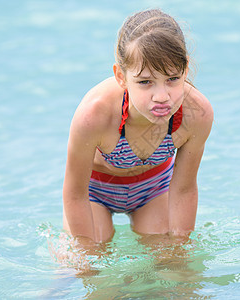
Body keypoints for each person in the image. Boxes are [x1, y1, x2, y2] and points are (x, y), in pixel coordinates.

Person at [62, 8, 213, 246]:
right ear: (121, 77)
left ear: (185, 70)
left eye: (172, 79)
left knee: (171, 262)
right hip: (95, 192)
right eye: (145, 82)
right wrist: (86, 254)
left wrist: (180, 250)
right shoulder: (94, 115)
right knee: (93, 265)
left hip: (153, 189)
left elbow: (184, 189)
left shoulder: (196, 114)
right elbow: (74, 193)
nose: (162, 96)